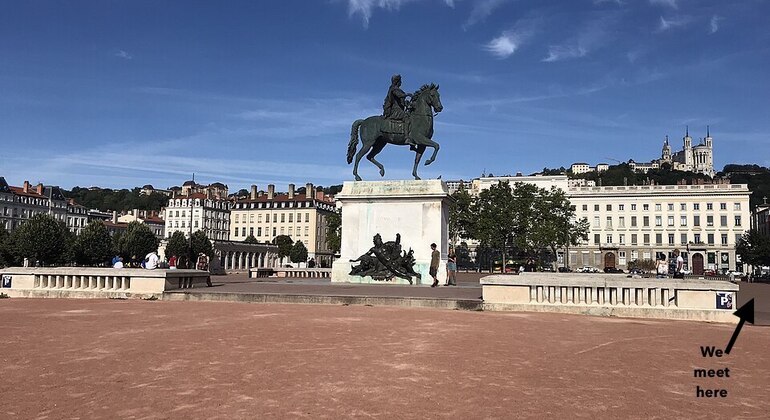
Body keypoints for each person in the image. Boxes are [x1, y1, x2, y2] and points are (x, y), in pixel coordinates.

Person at [382, 74, 415, 147]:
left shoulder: (398, 90)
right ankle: (406, 137)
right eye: (400, 81)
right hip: (395, 111)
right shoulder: (393, 89)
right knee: (407, 117)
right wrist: (407, 94)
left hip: (399, 110)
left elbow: (401, 101)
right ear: (397, 81)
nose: (401, 83)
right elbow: (399, 95)